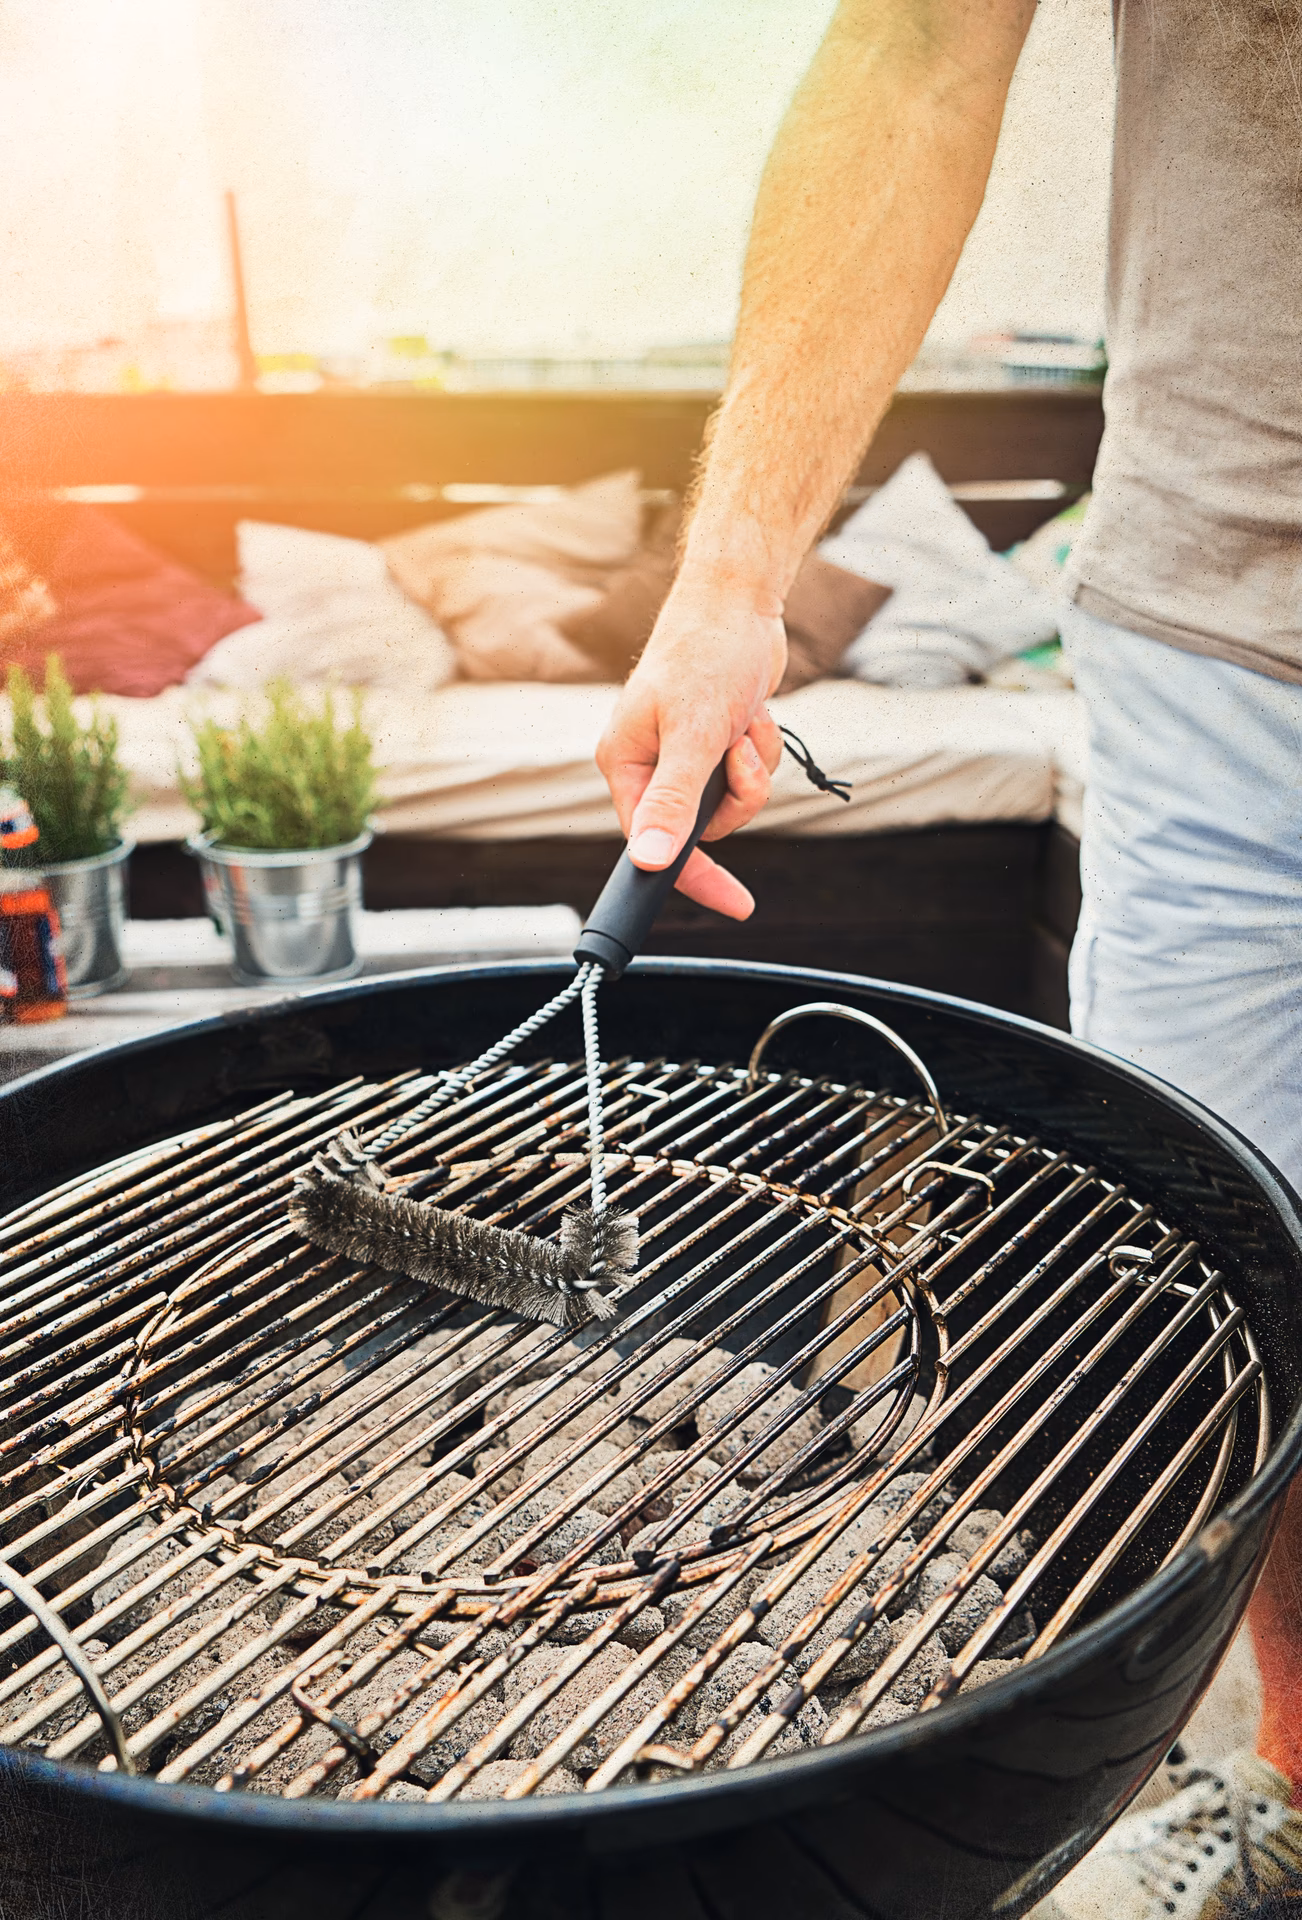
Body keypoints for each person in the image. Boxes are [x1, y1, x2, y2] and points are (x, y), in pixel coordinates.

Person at [595, 1, 1302, 1913]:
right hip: (1206, 633)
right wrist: (730, 583)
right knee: (1238, 1274)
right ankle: (1299, 1790)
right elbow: (917, 48)